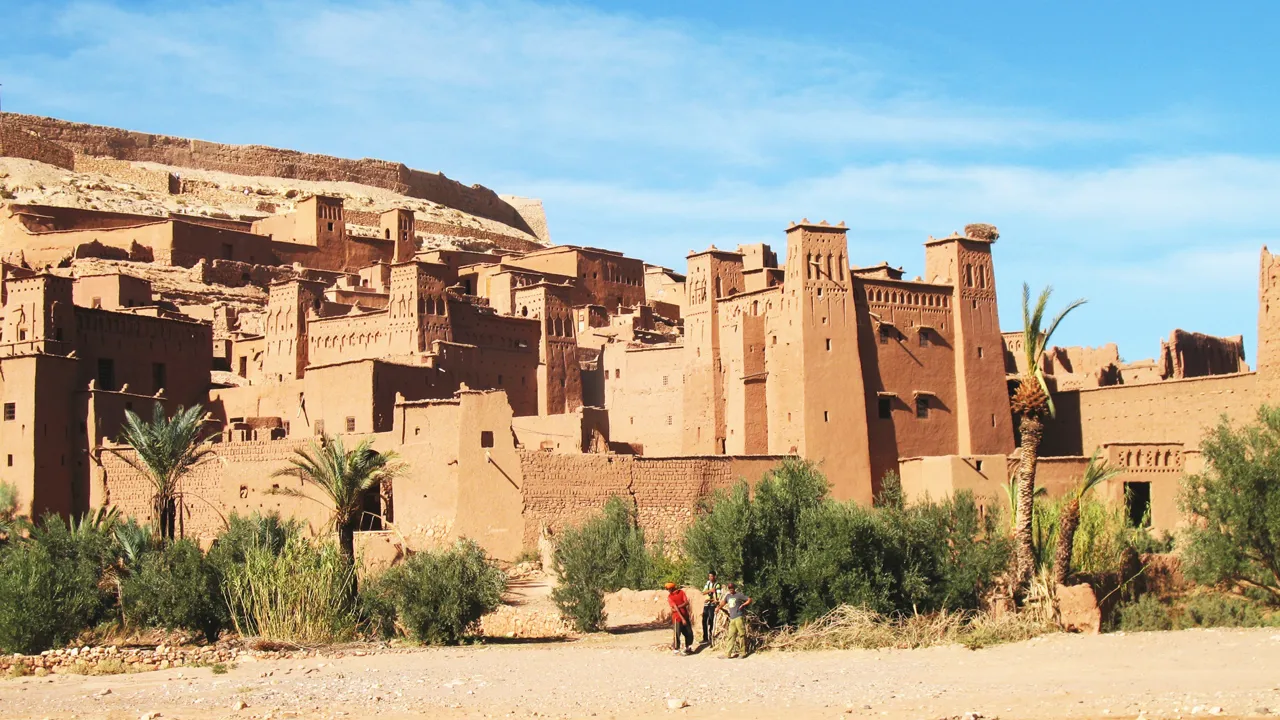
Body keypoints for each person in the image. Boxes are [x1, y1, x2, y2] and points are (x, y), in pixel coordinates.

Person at [717, 582, 752, 658]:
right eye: (729, 588)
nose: (731, 589)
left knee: (741, 635)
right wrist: (718, 608)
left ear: (734, 588)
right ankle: (728, 654)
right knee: (731, 636)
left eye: (732, 588)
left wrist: (743, 605)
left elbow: (749, 599)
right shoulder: (728, 596)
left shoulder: (739, 595)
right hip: (732, 618)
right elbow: (723, 603)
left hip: (739, 617)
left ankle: (743, 653)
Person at [665, 582, 694, 655]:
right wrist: (682, 618)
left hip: (685, 616)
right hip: (677, 618)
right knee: (677, 633)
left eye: (668, 589)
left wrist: (678, 607)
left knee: (689, 632)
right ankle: (676, 649)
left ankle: (688, 647)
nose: (668, 590)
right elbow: (675, 609)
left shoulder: (681, 592)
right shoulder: (670, 597)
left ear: (672, 588)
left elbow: (686, 602)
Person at [700, 571, 722, 644]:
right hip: (707, 604)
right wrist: (710, 590)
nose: (710, 578)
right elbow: (703, 592)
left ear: (715, 576)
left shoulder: (717, 585)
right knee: (704, 621)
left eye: (711, 576)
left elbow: (718, 598)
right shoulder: (708, 583)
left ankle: (711, 637)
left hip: (712, 605)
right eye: (709, 576)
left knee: (711, 621)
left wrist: (710, 599)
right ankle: (705, 638)